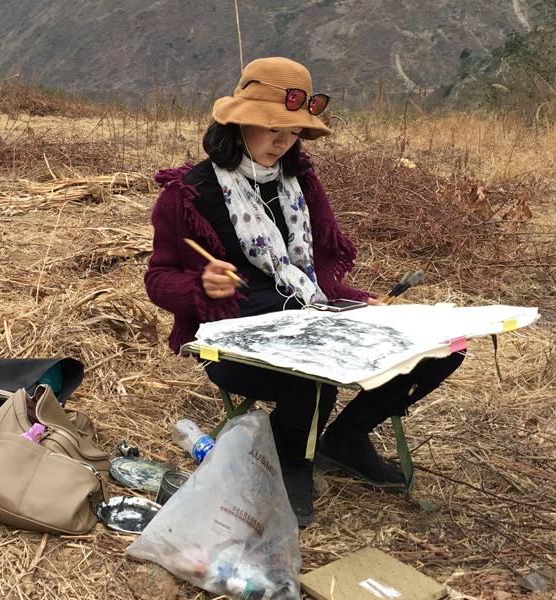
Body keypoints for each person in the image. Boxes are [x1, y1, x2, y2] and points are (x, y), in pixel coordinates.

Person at [144, 57, 464, 527]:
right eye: (272, 127)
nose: (282, 140)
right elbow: (158, 278)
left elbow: (313, 279)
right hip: (235, 344)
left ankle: (346, 438)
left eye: (293, 131)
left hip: (311, 317)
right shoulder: (190, 195)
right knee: (310, 374)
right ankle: (293, 460)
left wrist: (358, 300)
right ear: (239, 123)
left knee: (442, 348)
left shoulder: (299, 184)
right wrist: (200, 285)